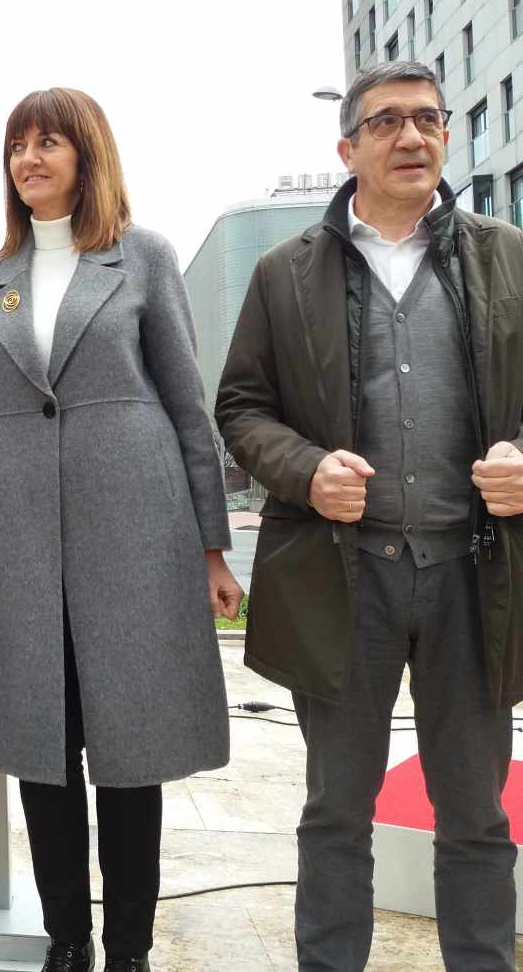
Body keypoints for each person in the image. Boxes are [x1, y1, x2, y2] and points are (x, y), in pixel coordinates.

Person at [215, 60, 523, 972]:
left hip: (475, 576)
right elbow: (239, 407)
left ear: (447, 138)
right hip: (345, 583)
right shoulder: (285, 273)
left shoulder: (506, 254)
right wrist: (305, 470)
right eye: (387, 122)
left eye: (428, 119)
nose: (412, 137)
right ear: (347, 148)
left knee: (475, 811)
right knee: (336, 811)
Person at [0, 88, 241, 972]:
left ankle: (131, 951)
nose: (29, 159)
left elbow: (189, 405)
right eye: (17, 146)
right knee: (40, 746)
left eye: (48, 143)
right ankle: (68, 941)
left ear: (86, 154)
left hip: (135, 532)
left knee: (129, 746)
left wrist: (211, 546)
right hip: (16, 541)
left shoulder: (142, 258)